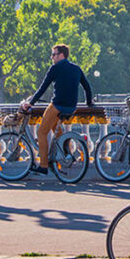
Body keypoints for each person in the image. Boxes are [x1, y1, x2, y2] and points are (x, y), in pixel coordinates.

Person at [21, 44, 94, 175]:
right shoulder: (76, 68)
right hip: (71, 107)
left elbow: (43, 88)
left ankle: (43, 165)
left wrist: (31, 103)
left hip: (58, 105)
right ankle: (64, 154)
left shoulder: (55, 68)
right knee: (56, 130)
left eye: (54, 55)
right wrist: (89, 103)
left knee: (41, 133)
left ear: (61, 55)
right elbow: (87, 87)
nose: (52, 57)